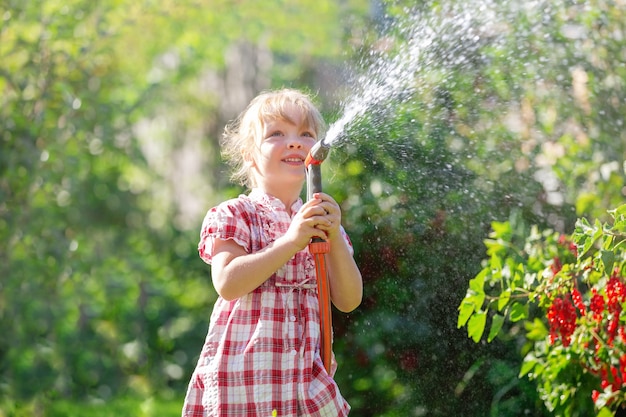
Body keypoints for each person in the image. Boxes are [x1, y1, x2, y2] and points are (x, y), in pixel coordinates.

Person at [182, 88, 363, 417]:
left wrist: (334, 235)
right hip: (245, 381)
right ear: (250, 154)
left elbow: (349, 299)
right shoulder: (237, 214)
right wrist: (291, 242)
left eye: (306, 134)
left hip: (304, 383)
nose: (295, 142)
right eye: (277, 134)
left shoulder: (322, 222)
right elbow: (228, 282)